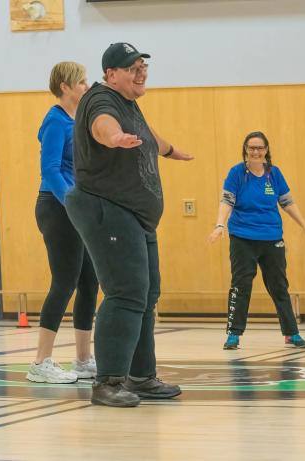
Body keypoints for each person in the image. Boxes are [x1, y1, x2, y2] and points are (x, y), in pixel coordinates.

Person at [65, 42, 193, 407]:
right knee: (125, 292)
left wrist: (169, 151)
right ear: (110, 74)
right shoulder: (101, 100)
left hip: (134, 215)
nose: (141, 72)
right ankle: (107, 383)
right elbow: (102, 125)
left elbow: (147, 132)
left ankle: (141, 376)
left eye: (142, 65)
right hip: (108, 208)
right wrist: (114, 138)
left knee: (146, 294)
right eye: (131, 67)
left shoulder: (129, 103)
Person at [209, 131, 305, 350]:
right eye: (252, 148)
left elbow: (287, 203)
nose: (256, 152)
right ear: (245, 150)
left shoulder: (274, 174)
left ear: (266, 150)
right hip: (243, 238)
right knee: (241, 285)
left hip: (272, 238)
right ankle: (233, 334)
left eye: (260, 148)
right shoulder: (237, 173)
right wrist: (220, 224)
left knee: (279, 286)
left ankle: (291, 333)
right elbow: (227, 201)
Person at [27, 62, 99, 384]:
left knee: (89, 282)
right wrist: (73, 203)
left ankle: (83, 360)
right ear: (66, 87)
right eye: (81, 82)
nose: (86, 86)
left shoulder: (77, 120)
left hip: (75, 207)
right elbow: (51, 171)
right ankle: (41, 362)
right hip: (57, 208)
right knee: (65, 281)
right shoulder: (55, 121)